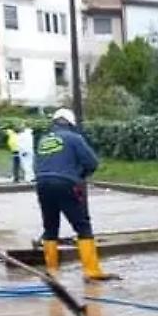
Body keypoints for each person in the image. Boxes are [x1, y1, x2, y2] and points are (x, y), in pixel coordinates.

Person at [33, 108, 118, 281]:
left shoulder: (43, 140)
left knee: (50, 228)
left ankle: (52, 271)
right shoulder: (74, 138)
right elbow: (92, 162)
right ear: (71, 123)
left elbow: (37, 165)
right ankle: (92, 272)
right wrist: (79, 176)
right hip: (65, 183)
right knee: (82, 226)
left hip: (42, 184)